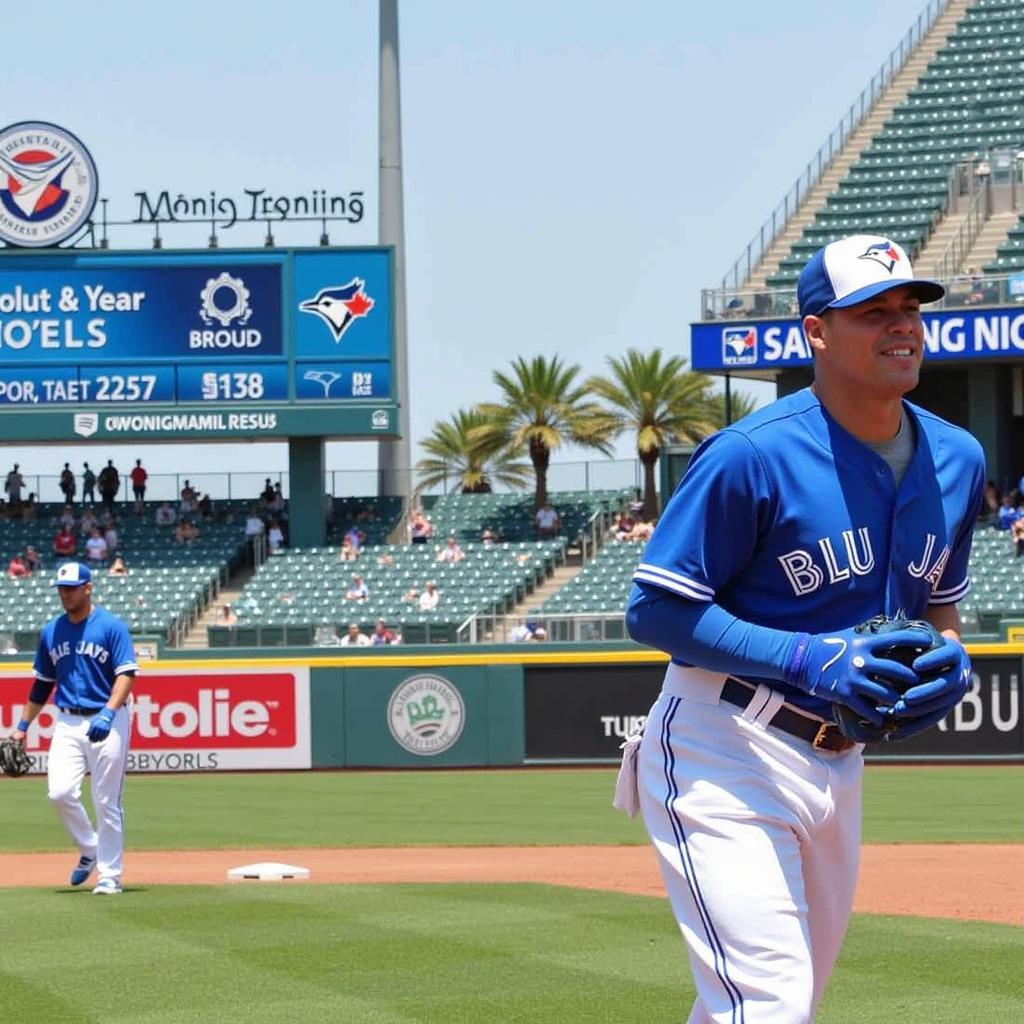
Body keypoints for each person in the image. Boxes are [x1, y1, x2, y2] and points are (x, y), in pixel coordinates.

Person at [623, 235, 983, 1022]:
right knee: (768, 1003)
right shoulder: (750, 455)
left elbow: (940, 610)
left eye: (910, 309)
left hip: (838, 763)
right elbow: (653, 608)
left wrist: (957, 659)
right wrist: (805, 659)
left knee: (774, 1002)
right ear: (817, 332)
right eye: (873, 313)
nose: (901, 327)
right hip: (725, 743)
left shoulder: (957, 458)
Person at [10, 562, 138, 894]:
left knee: (107, 800)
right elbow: (42, 684)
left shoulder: (111, 626)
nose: (65, 594)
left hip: (107, 717)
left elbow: (126, 674)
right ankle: (90, 848)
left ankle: (110, 876)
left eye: (72, 587)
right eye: (61, 589)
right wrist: (22, 727)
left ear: (88, 587)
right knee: (60, 793)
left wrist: (109, 712)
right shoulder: (51, 631)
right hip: (67, 720)